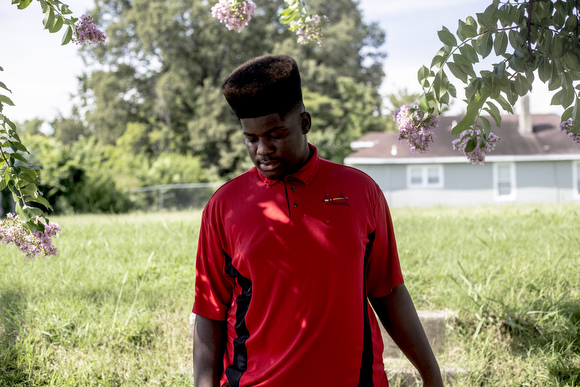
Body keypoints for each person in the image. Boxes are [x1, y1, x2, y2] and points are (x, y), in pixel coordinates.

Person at [192, 54, 443, 387]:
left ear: (305, 123)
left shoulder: (360, 191)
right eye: (251, 139)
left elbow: (388, 290)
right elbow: (210, 309)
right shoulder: (223, 206)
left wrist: (432, 376)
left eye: (275, 135)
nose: (262, 150)